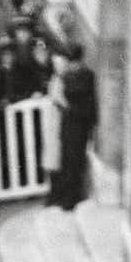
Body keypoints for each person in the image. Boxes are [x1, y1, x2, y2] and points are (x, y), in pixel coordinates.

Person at [44, 48, 100, 210]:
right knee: (67, 161)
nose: (72, 66)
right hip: (70, 124)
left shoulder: (83, 76)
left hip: (78, 124)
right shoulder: (71, 76)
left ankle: (71, 198)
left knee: (74, 162)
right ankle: (65, 196)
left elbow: (75, 96)